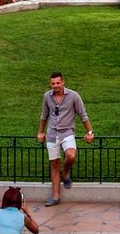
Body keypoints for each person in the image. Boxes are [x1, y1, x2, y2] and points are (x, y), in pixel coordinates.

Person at [38, 71, 93, 206]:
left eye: (58, 83)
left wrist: (90, 132)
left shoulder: (73, 96)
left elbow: (83, 115)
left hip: (67, 132)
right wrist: (40, 132)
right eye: (53, 83)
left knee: (71, 155)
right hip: (52, 134)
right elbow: (44, 115)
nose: (55, 86)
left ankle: (66, 173)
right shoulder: (47, 96)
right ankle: (55, 197)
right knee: (55, 164)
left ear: (63, 82)